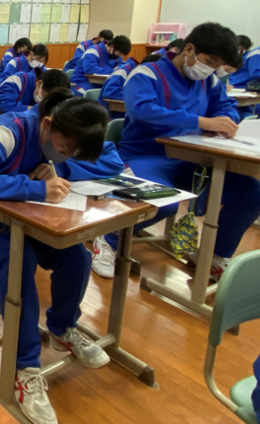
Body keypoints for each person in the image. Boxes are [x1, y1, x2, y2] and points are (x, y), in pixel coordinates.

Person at [0, 91, 124, 424]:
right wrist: (36, 187)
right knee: (17, 262)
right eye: (64, 149)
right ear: (48, 124)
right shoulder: (7, 131)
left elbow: (97, 163)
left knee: (76, 256)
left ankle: (62, 328)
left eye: (72, 153)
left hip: (19, 215)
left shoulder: (64, 136)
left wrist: (54, 173)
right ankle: (24, 368)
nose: (65, 155)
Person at [91, 22, 260, 281]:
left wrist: (226, 120)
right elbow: (142, 110)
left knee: (252, 192)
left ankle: (213, 256)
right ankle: (108, 239)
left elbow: (226, 106)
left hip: (194, 160)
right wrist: (202, 122)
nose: (212, 69)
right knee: (164, 203)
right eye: (209, 62)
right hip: (146, 156)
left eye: (217, 65)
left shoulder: (209, 80)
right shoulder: (146, 74)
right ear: (189, 49)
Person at [0, 69, 70, 115]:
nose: (44, 101)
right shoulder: (18, 80)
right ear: (39, 83)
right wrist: (36, 109)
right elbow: (4, 104)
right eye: (46, 96)